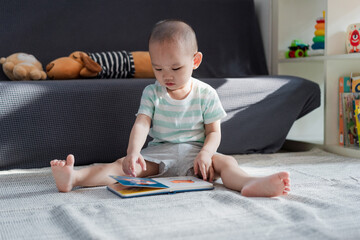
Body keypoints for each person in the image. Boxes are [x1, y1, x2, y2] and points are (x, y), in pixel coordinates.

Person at [50, 20, 290, 197]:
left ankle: (247, 183)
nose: (167, 76)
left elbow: (214, 132)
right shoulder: (152, 93)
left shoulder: (206, 93)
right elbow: (142, 123)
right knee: (121, 166)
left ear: (195, 61)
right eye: (158, 68)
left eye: (175, 69)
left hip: (197, 158)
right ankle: (75, 177)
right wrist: (133, 153)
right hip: (159, 155)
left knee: (227, 163)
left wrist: (206, 154)